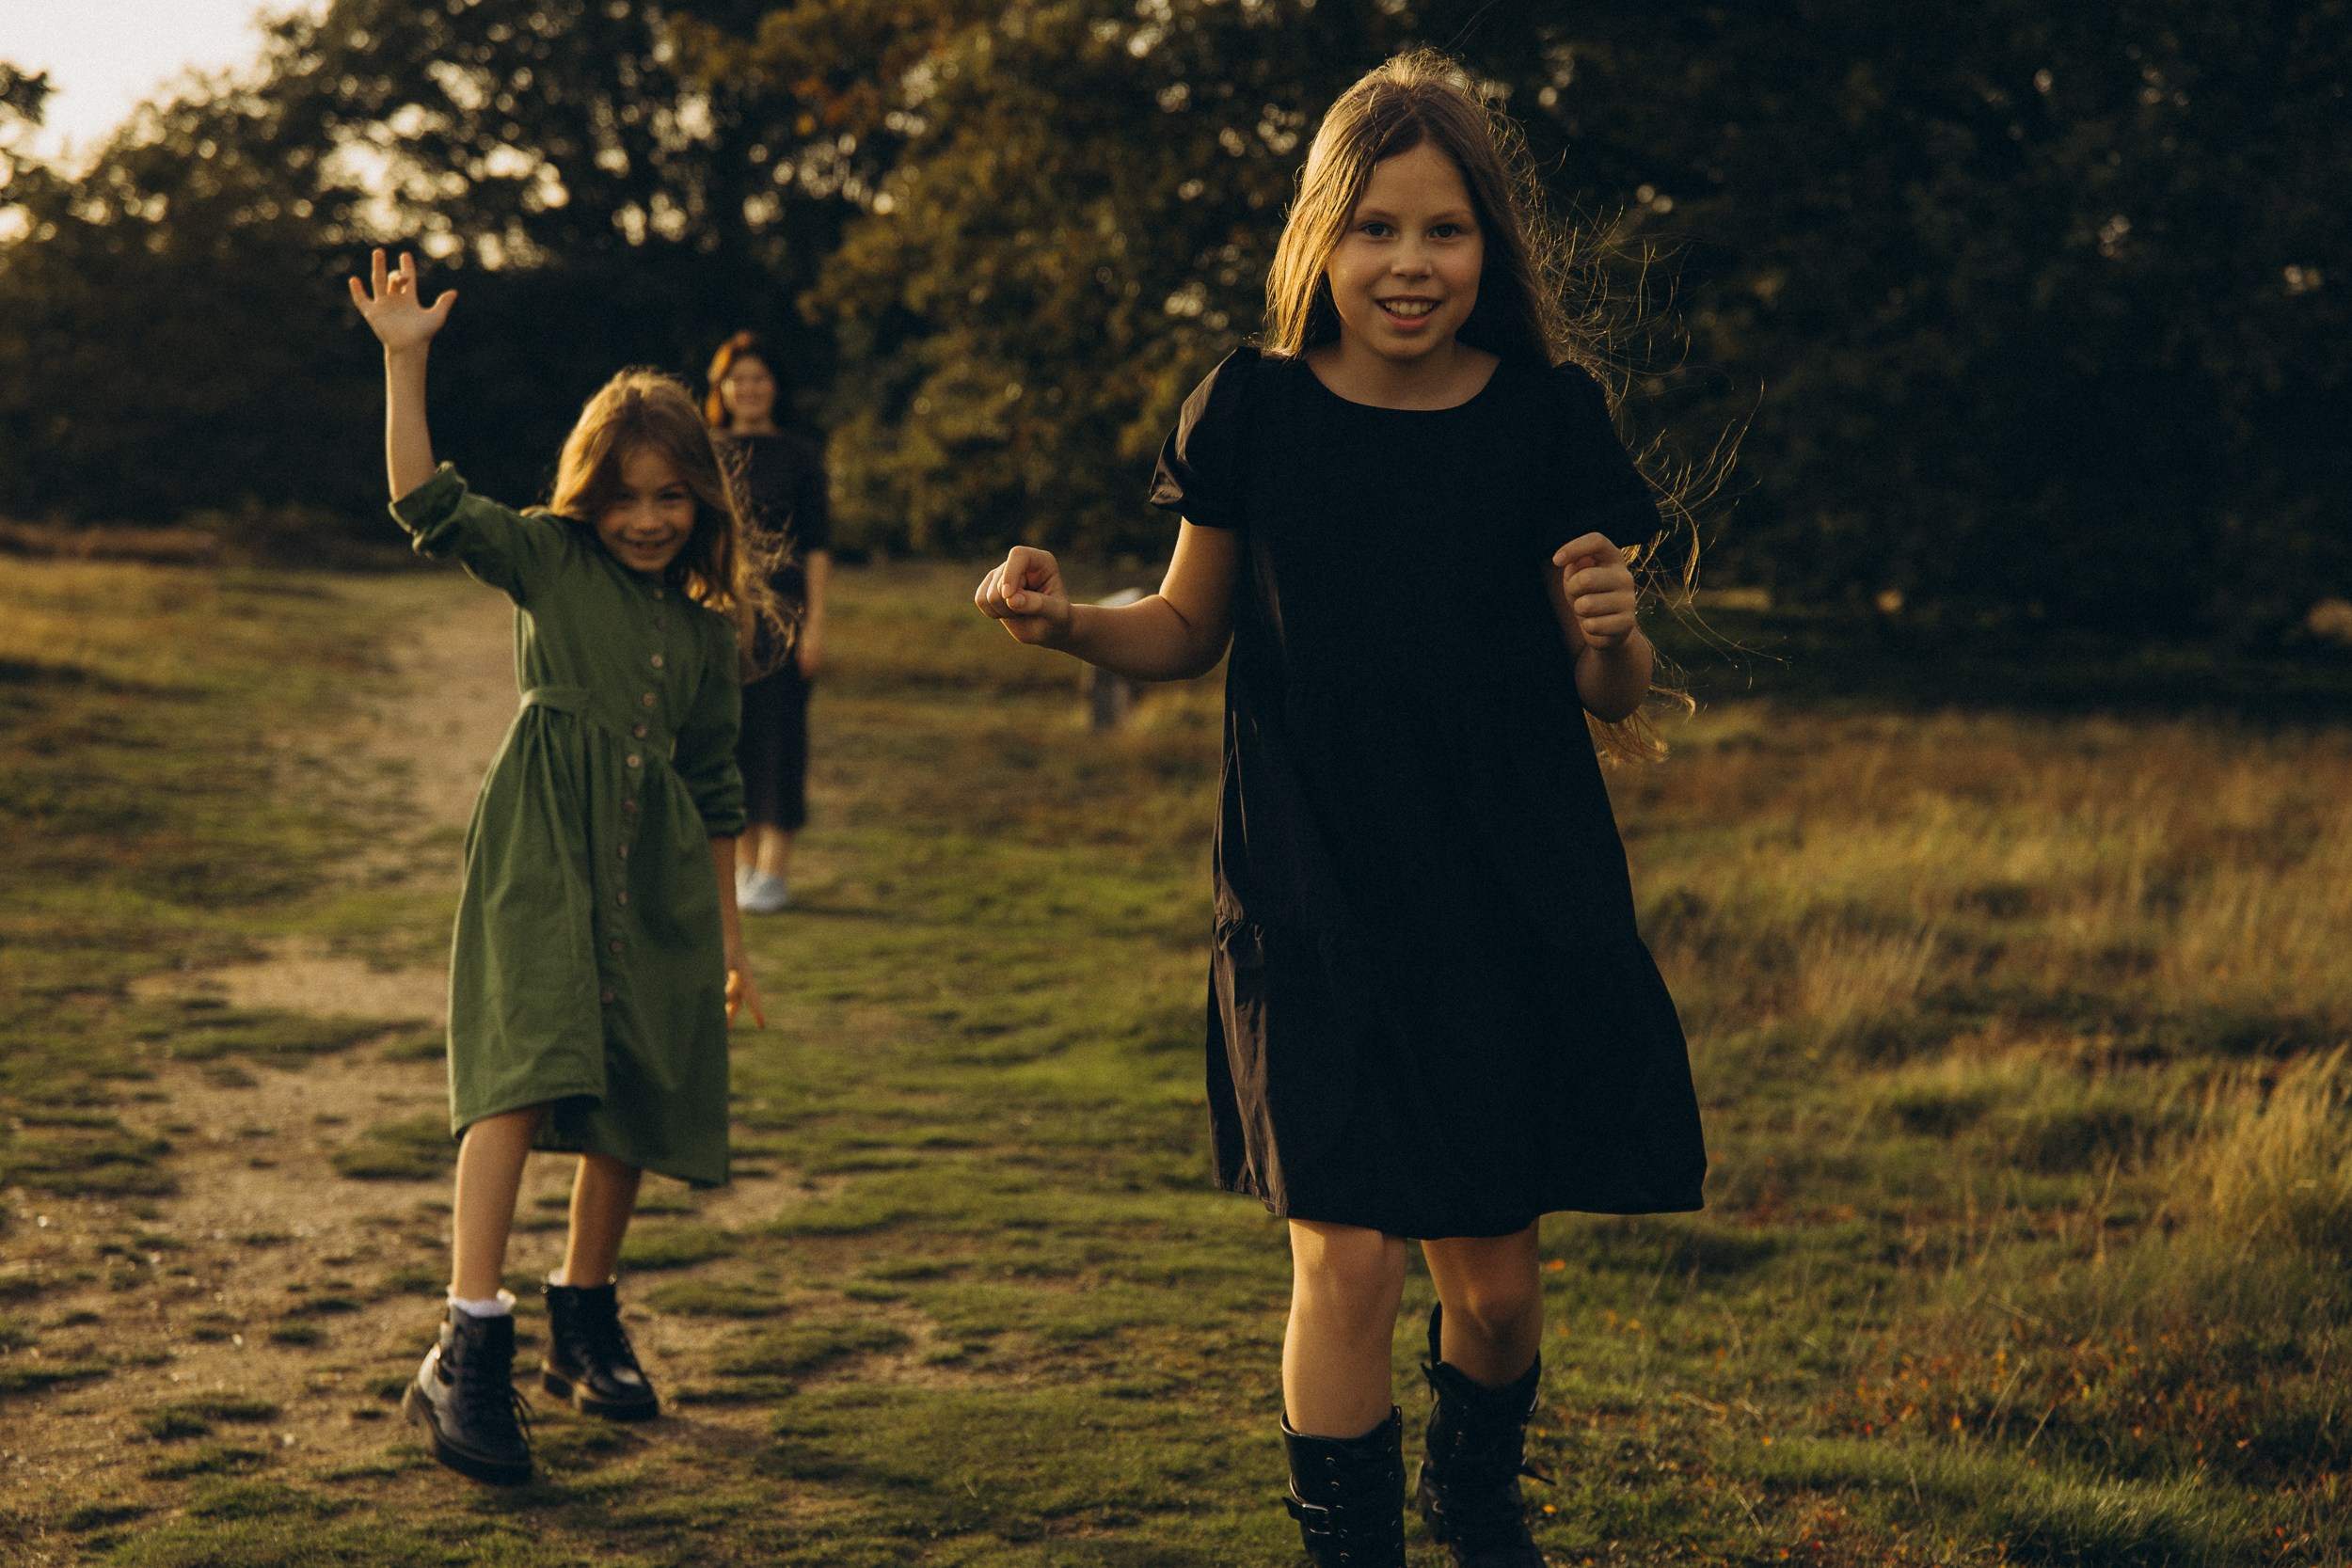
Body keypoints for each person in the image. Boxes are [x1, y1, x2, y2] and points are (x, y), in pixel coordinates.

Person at [975, 52, 1707, 1568]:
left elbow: (1615, 692)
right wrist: (1064, 628)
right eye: (1375, 228)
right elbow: (1186, 627)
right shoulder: (1252, 409)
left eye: (1443, 231)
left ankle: (1478, 1492)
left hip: (1509, 890)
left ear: (1488, 247)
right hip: (1310, 889)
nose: (1410, 263)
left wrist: (1616, 624)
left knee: (1493, 1285)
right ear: (1323, 239)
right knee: (1350, 1258)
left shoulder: (1547, 421)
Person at [349, 249, 780, 1486]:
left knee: (633, 1082)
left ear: (703, 498)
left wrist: (730, 939)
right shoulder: (546, 556)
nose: (648, 517)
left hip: (653, 877)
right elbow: (426, 498)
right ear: (590, 493)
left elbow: (714, 784)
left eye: (672, 497)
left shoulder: (707, 632)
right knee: (522, 1071)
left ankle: (583, 1311)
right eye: (626, 494)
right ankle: (469, 1339)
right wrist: (405, 359)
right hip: (541, 849)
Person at [705, 331, 831, 915]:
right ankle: (742, 869)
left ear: (774, 387)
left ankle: (774, 873)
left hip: (786, 618)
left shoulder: (800, 457)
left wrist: (816, 626)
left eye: (759, 377)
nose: (749, 388)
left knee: (781, 743)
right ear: (722, 387)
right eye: (739, 378)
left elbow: (819, 550)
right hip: (721, 617)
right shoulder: (705, 451)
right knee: (731, 745)